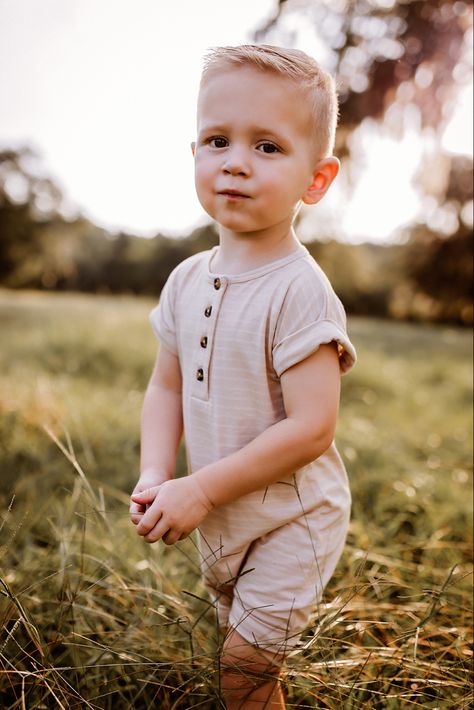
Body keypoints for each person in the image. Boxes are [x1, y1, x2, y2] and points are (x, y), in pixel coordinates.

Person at [130, 44, 356, 709]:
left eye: (267, 147)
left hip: (294, 517)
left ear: (315, 180)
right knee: (246, 668)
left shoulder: (300, 292)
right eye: (217, 139)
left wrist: (200, 488)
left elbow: (314, 427)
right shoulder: (184, 279)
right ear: (193, 152)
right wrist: (155, 473)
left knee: (245, 665)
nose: (234, 160)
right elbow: (165, 386)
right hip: (224, 515)